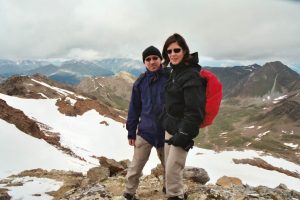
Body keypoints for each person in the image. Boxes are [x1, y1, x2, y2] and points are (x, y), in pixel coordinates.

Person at [161, 33, 206, 200]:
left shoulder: (191, 75)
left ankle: (176, 196)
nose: (172, 54)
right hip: (170, 127)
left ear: (185, 51)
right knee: (169, 167)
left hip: (182, 130)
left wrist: (184, 135)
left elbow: (195, 112)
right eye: (169, 51)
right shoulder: (175, 71)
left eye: (176, 50)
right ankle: (175, 193)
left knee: (173, 169)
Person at [123, 46, 169, 200]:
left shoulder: (170, 77)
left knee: (170, 166)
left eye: (155, 58)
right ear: (144, 62)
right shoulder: (140, 82)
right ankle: (129, 194)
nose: (152, 62)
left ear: (161, 59)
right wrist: (131, 131)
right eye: (148, 59)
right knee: (135, 166)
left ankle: (169, 190)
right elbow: (134, 109)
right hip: (145, 132)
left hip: (166, 131)